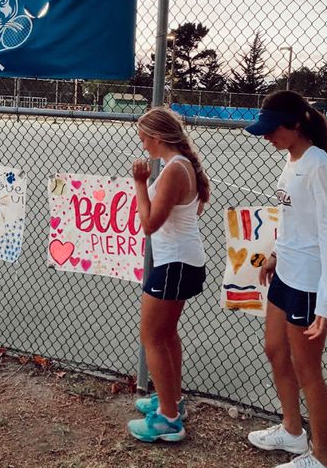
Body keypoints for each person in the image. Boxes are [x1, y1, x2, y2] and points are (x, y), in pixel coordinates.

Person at [245, 90, 327, 468]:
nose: (268, 136)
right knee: (274, 349)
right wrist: (273, 255)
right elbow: (291, 220)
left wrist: (324, 301)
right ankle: (291, 431)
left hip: (309, 284)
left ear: (296, 124)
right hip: (285, 275)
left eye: (273, 129)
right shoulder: (291, 159)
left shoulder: (319, 164)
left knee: (308, 372)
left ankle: (321, 457)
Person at [127, 107, 210, 443]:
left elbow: (150, 224)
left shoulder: (176, 169)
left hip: (174, 264)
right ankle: (171, 401)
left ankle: (169, 420)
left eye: (144, 138)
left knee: (152, 337)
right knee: (167, 335)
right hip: (181, 261)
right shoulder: (181, 166)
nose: (143, 145)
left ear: (158, 137)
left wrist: (139, 183)